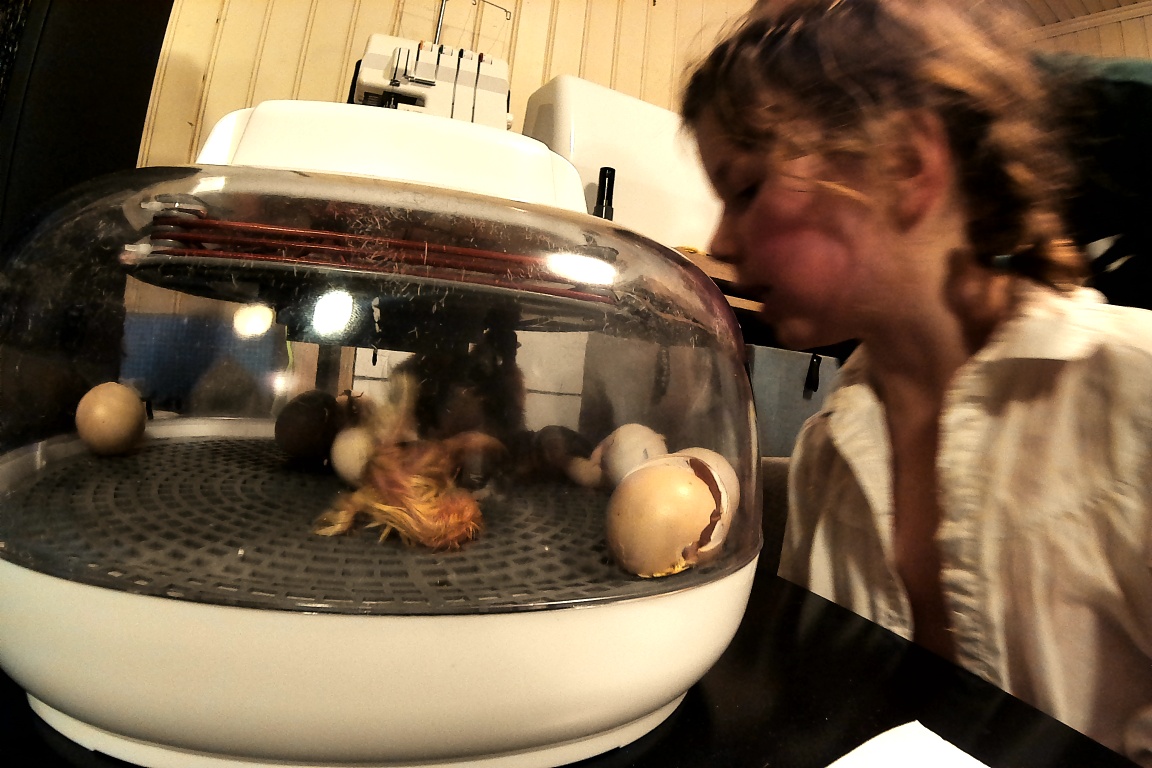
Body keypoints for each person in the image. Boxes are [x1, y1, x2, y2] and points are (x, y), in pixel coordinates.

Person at [679, 0, 1152, 763]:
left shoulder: (1135, 396)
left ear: (906, 165)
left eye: (746, 189)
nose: (721, 241)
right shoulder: (828, 456)